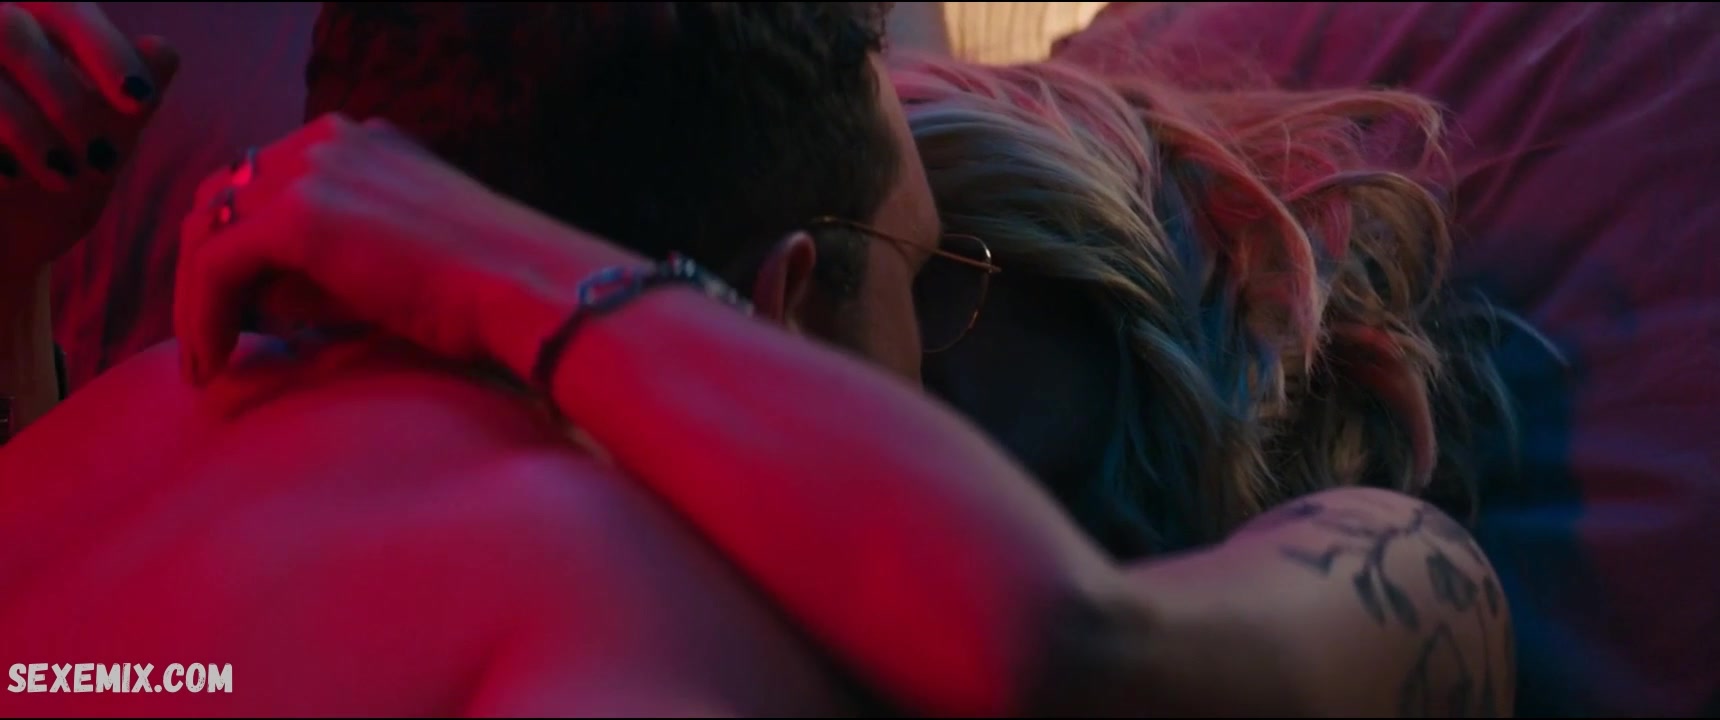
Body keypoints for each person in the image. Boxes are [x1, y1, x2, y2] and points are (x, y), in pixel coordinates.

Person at [7, 2, 1511, 716]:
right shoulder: (606, 566)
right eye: (922, 287)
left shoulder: (1380, 571)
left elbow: (1067, 648)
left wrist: (503, 266)